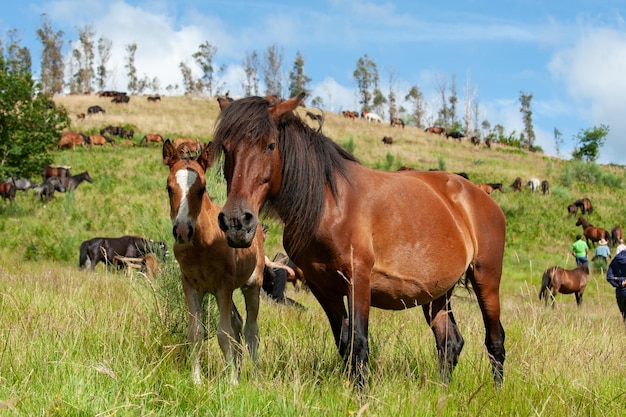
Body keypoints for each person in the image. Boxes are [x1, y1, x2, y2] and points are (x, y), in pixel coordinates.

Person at [261, 224, 304, 308]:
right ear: (262, 233)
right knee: (280, 272)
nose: (266, 235)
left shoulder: (260, 247)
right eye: (265, 233)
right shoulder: (256, 246)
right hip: (262, 277)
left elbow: (268, 262)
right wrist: (285, 267)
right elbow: (269, 264)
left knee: (280, 269)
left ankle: (302, 308)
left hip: (264, 275)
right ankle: (278, 298)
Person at [606, 249, 626, 324]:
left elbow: (609, 277)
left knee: (624, 317)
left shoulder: (615, 260)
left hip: (620, 294)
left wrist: (619, 283)